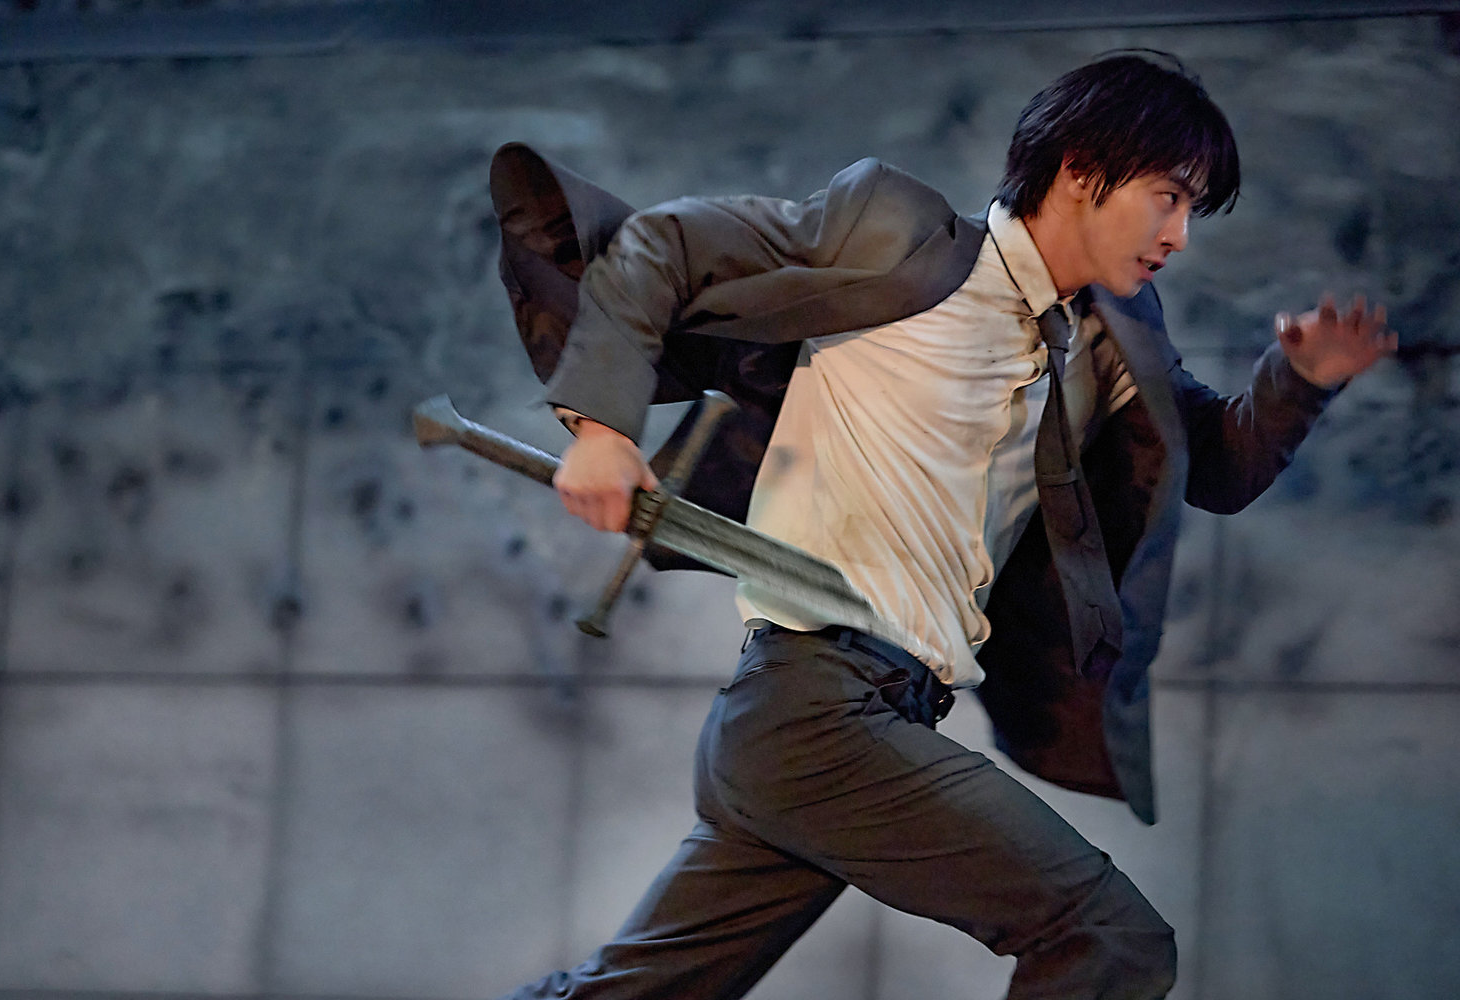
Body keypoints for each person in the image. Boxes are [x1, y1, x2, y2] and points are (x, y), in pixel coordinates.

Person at [485, 51, 1395, 1000]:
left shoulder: (1104, 341)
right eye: (1167, 197)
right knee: (1108, 939)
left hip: (850, 719)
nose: (1179, 235)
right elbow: (664, 244)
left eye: (1191, 210)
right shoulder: (895, 235)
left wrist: (1301, 381)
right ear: (1080, 169)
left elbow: (1217, 464)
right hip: (815, 705)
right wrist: (601, 430)